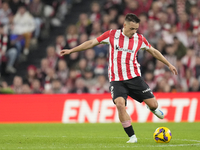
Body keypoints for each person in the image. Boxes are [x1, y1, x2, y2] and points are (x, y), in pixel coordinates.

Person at [60, 13, 178, 143]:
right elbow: (91, 43)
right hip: (116, 80)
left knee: (154, 104)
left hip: (134, 78)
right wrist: (72, 50)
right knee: (120, 105)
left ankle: (152, 108)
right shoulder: (112, 35)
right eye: (132, 29)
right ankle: (132, 137)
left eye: (136, 29)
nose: (134, 32)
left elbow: (154, 51)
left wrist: (169, 64)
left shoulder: (140, 39)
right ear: (125, 25)